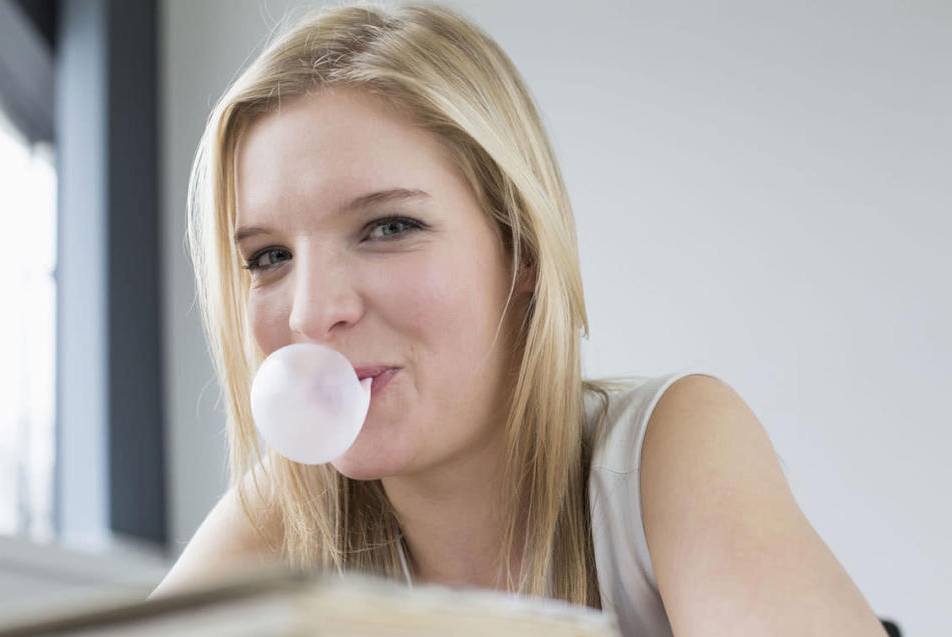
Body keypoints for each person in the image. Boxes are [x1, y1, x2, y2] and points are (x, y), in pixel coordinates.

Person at [149, 3, 886, 635]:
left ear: (523, 247)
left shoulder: (667, 447)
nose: (311, 312)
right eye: (268, 255)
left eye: (387, 227)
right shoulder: (290, 514)